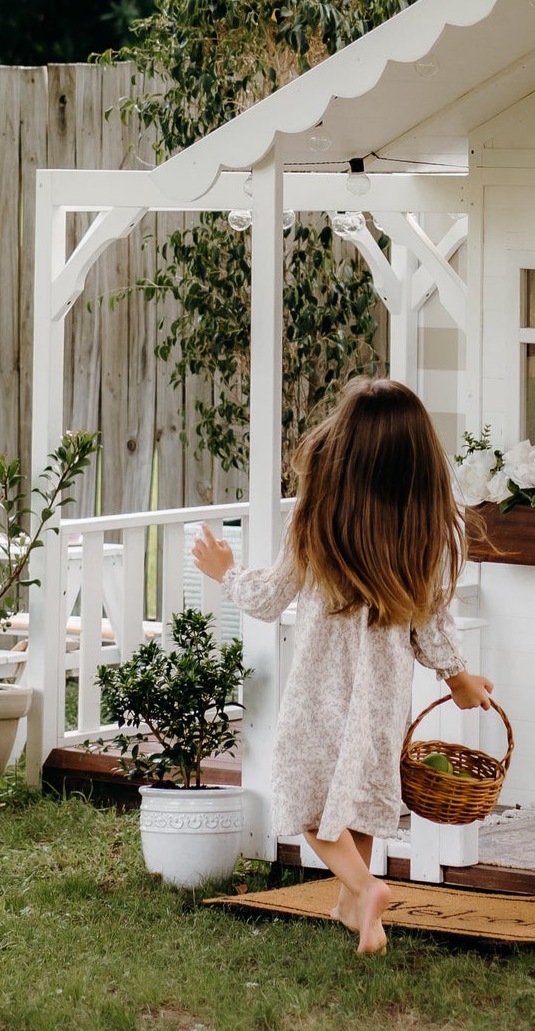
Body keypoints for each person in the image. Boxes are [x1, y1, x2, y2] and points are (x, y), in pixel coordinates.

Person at [192, 378, 495, 956]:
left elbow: (268, 598)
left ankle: (364, 887)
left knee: (309, 802)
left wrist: (225, 571)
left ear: (347, 448)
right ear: (417, 458)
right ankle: (358, 910)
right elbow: (431, 622)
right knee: (352, 799)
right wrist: (458, 678)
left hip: (318, 691)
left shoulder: (318, 517)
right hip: (382, 698)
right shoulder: (420, 530)